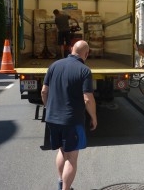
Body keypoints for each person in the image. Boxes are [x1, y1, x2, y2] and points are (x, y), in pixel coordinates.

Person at [41, 40, 97, 190]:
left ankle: (61, 183)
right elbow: (87, 98)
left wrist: (49, 108)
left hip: (52, 119)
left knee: (61, 151)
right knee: (71, 158)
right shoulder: (84, 70)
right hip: (71, 120)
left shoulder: (54, 66)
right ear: (86, 54)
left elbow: (44, 91)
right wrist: (94, 117)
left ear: (72, 49)